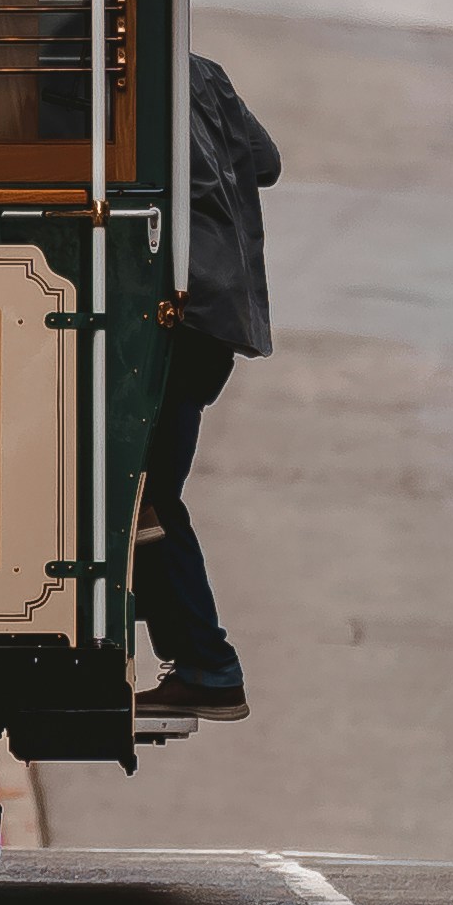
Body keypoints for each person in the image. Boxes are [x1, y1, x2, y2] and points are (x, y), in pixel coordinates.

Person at [136, 55, 275, 718]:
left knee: (144, 495)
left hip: (174, 310)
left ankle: (207, 665)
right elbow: (265, 160)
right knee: (146, 493)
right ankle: (198, 661)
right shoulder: (198, 70)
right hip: (217, 313)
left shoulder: (89, 65)